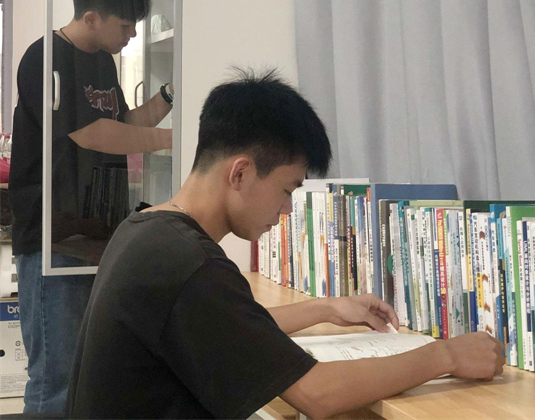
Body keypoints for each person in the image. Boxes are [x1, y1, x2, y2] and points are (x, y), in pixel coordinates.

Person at [66, 68, 504, 419]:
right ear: (240, 173)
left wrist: (326, 309)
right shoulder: (191, 264)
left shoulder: (145, 228)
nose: (288, 210)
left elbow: (232, 329)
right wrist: (446, 354)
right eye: (288, 190)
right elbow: (318, 394)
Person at [9, 0, 174, 416]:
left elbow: (123, 122)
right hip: (52, 240)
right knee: (55, 381)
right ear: (91, 18)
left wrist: (170, 95)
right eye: (125, 25)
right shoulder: (45, 59)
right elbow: (93, 134)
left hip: (96, 238)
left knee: (86, 376)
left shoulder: (102, 61)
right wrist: (171, 139)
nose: (132, 35)